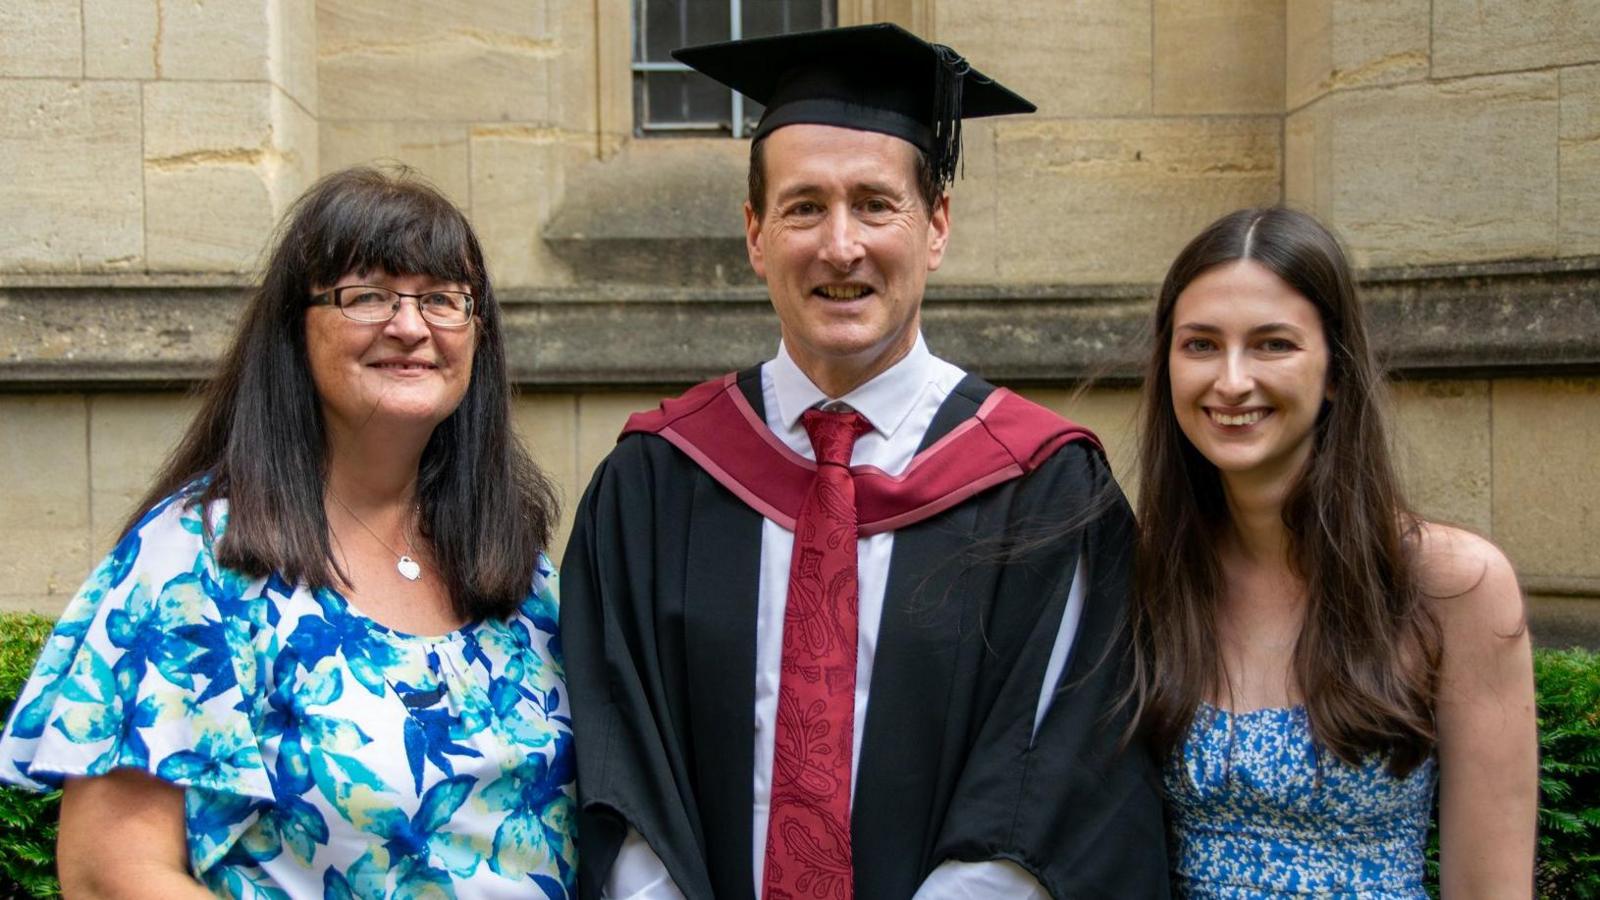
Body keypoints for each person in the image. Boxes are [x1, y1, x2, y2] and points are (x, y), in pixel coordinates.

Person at [560, 23, 1167, 900]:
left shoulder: (1044, 491)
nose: (840, 246)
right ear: (755, 234)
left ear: (937, 227)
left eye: (875, 204)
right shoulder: (656, 483)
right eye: (804, 206)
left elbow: (1060, 778)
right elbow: (615, 757)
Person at [0, 167, 577, 897]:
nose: (410, 325)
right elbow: (111, 872)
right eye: (366, 295)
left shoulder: (516, 570)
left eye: (442, 299)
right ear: (292, 331)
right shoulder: (193, 564)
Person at [1127, 207, 1538, 896]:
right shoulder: (1143, 576)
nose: (1230, 381)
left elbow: (1489, 888)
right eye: (1200, 344)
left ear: (1337, 370)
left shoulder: (1451, 585)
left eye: (1273, 344)